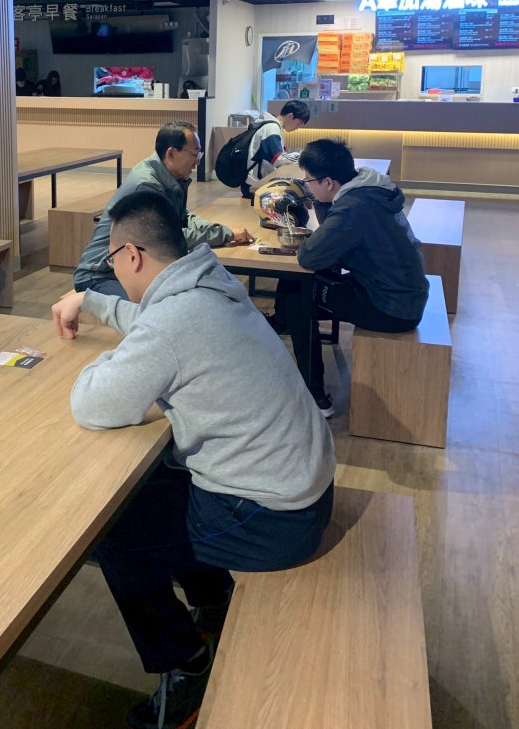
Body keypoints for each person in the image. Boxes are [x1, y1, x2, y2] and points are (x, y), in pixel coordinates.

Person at [53, 191, 335, 729]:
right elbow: (154, 320)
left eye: (113, 260)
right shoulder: (210, 282)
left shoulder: (173, 322)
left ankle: (185, 662)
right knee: (157, 483)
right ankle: (213, 600)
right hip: (300, 488)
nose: (115, 271)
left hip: (272, 521)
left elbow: (93, 405)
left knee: (113, 532)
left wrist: (115, 359)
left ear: (131, 255)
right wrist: (90, 301)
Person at [279, 138, 429, 417]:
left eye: (309, 181)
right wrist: (322, 201)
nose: (307, 187)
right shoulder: (367, 189)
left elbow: (308, 256)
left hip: (391, 307)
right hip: (404, 292)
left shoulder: (353, 208)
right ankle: (281, 321)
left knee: (297, 295)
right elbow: (330, 243)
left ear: (328, 182)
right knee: (305, 281)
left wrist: (318, 204)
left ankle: (315, 398)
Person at [73, 120, 252, 297]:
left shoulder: (170, 176)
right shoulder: (146, 184)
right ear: (171, 154)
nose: (197, 163)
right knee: (164, 304)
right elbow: (169, 239)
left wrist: (216, 229)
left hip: (132, 265)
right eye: (195, 155)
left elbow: (183, 217)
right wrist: (225, 234)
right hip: (101, 274)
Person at [241, 98, 311, 199]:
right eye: (298, 123)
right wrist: (300, 156)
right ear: (290, 116)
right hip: (255, 184)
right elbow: (277, 160)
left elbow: (280, 154)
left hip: (258, 180)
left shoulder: (272, 126)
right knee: (299, 195)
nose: (297, 128)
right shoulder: (271, 128)